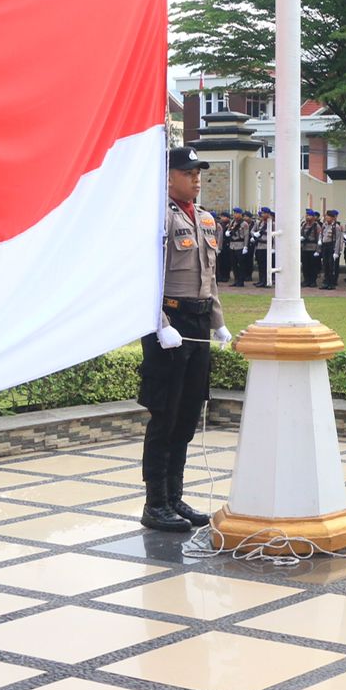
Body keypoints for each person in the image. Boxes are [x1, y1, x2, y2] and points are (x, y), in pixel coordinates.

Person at [138, 147, 232, 533]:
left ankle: (174, 497)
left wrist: (219, 322)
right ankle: (155, 501)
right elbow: (143, 279)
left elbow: (209, 280)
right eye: (187, 172)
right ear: (169, 176)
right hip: (169, 324)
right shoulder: (157, 219)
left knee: (188, 416)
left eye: (198, 172)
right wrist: (159, 322)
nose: (195, 178)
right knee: (165, 415)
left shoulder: (206, 220)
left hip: (196, 324)